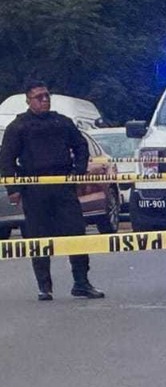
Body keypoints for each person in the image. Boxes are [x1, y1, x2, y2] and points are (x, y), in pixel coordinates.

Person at [0, 80, 103, 301]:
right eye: (39, 97)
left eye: (47, 96)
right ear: (29, 101)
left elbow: (80, 146)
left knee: (76, 233)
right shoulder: (18, 126)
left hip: (63, 186)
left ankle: (81, 283)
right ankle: (44, 287)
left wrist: (78, 172)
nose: (44, 100)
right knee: (38, 238)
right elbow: (7, 159)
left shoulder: (62, 122)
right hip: (35, 189)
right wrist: (13, 189)